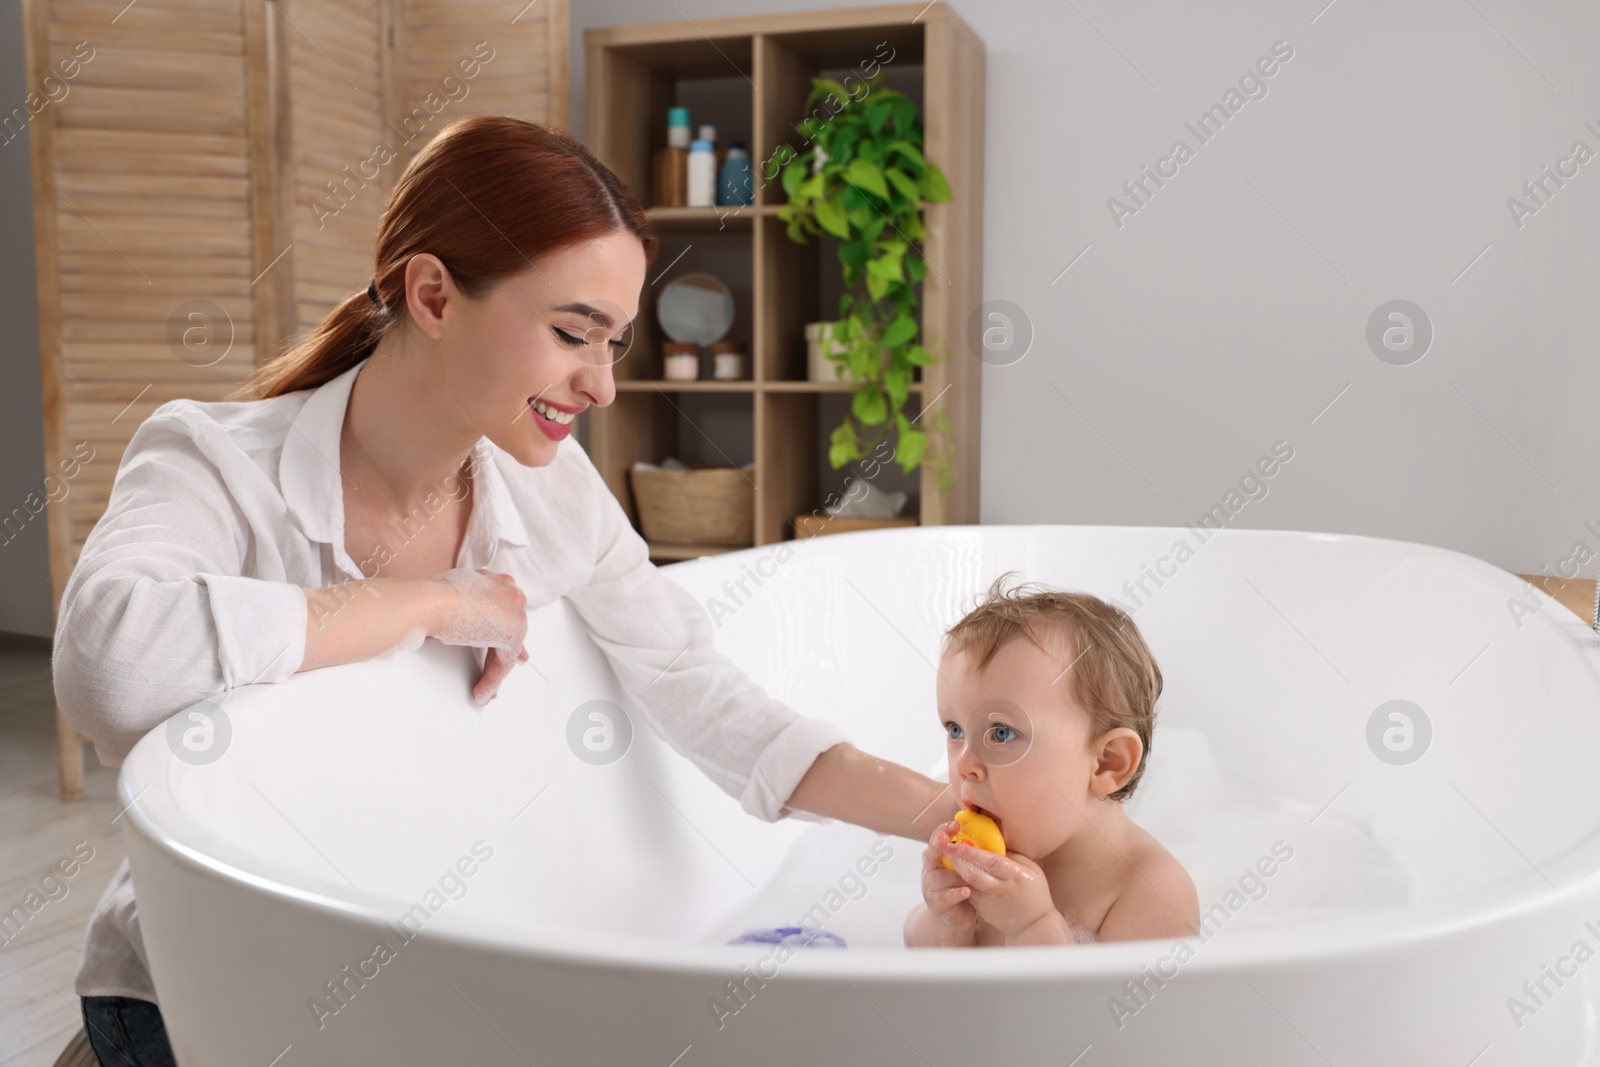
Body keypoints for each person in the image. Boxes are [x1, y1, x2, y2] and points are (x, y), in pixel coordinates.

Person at [53, 116, 954, 1066]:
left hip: (410, 993)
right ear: (434, 294)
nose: (602, 385)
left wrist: (961, 820)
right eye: (574, 333)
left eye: (615, 343)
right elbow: (106, 664)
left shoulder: (553, 490)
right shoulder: (214, 461)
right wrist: (433, 601)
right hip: (207, 997)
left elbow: (698, 687)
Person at [904, 574, 1199, 947]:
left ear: (1107, 763)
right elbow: (916, 960)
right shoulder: (985, 862)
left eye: (1001, 734)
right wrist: (945, 920)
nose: (964, 765)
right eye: (956, 730)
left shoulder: (1153, 890)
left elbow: (1097, 1005)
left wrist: (1033, 926)